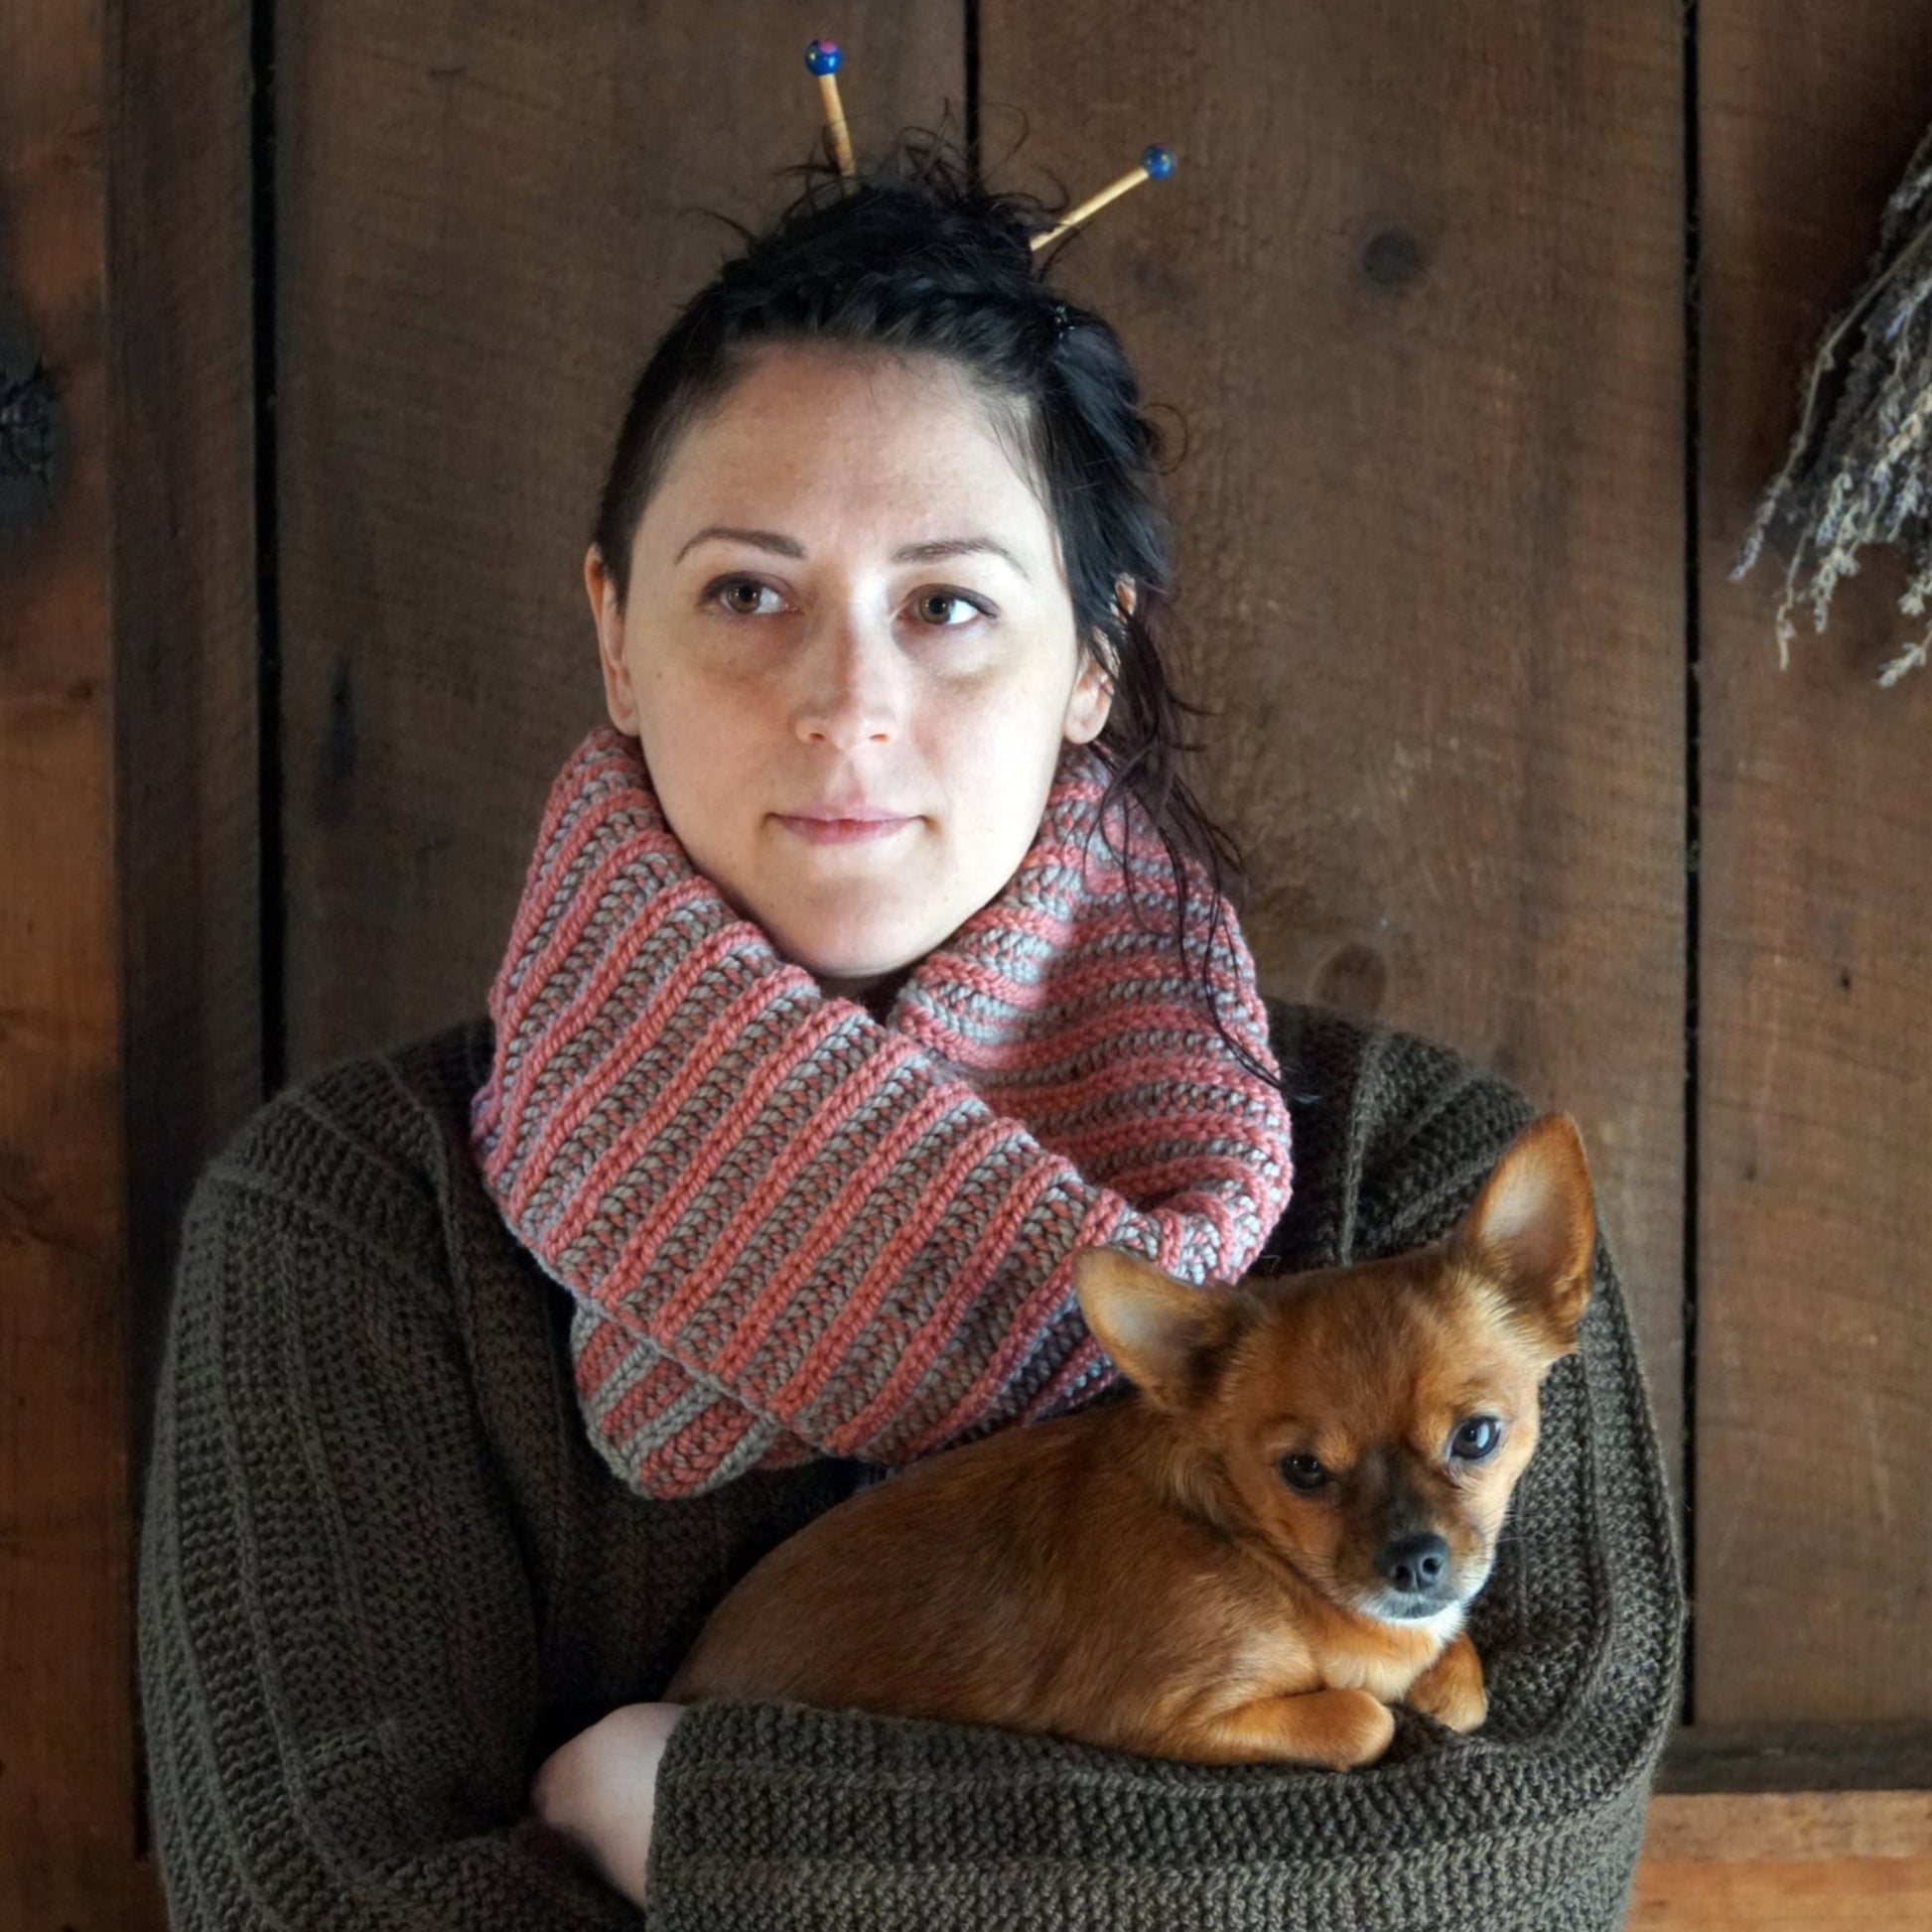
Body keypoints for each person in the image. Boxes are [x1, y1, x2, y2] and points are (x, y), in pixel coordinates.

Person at [136, 135, 1683, 1930]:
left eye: (946, 605)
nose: (846, 706)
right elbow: (323, 1900)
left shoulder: (1410, 1177)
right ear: (615, 637)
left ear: (1093, 658)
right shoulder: (357, 1220)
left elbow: (1532, 1863)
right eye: (744, 592)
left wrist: (702, 1819)